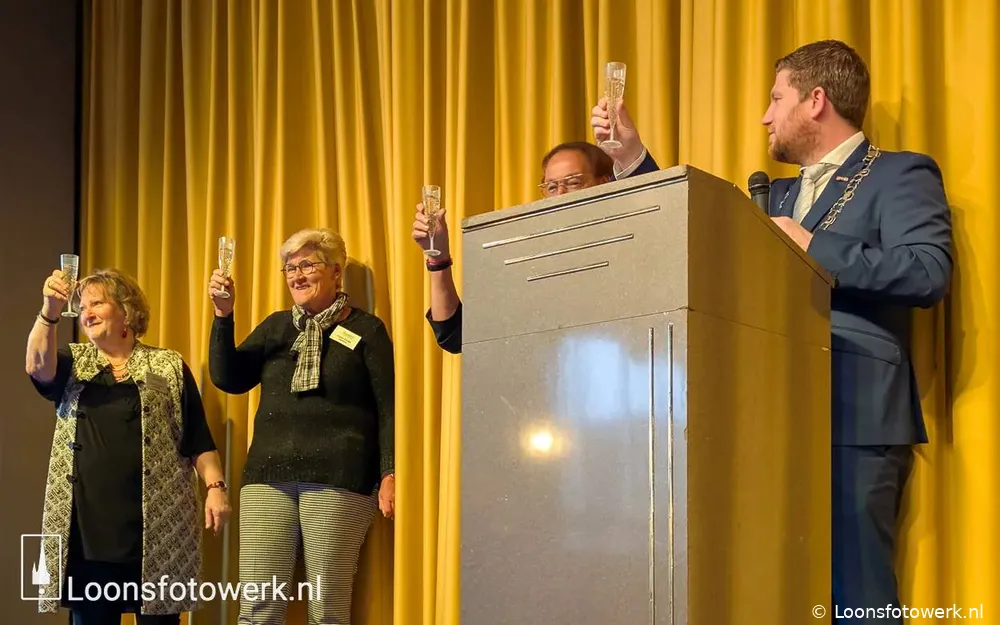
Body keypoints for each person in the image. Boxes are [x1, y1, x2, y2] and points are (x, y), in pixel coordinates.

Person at [594, 40, 953, 623]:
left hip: (852, 416)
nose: (764, 116)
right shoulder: (775, 194)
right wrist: (633, 158)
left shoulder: (898, 173)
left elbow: (927, 271)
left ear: (816, 101)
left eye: (775, 98)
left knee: (859, 597)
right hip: (760, 422)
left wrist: (814, 245)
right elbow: (700, 236)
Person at [207, 227, 395, 625]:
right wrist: (223, 316)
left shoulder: (367, 329)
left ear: (337, 271)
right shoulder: (277, 327)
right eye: (290, 268)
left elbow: (388, 408)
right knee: (257, 609)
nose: (296, 275)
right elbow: (228, 378)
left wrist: (389, 472)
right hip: (266, 478)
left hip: (338, 479)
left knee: (326, 612)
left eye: (307, 265)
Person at [25, 268, 230, 625]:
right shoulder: (74, 361)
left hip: (159, 529)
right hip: (87, 532)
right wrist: (50, 312)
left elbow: (197, 437)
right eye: (82, 307)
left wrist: (215, 486)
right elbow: (37, 367)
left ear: (126, 309)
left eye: (97, 303)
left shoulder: (168, 364)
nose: (87, 312)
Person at [411, 141, 618, 353]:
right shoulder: (524, 255)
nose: (561, 195)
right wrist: (438, 257)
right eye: (552, 187)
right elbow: (455, 336)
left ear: (604, 183)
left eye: (573, 183)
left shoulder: (622, 243)